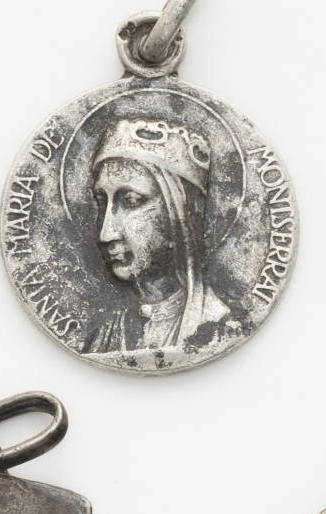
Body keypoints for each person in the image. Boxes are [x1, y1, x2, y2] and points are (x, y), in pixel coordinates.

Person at [85, 114, 239, 355]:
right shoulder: (107, 333)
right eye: (102, 202)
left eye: (131, 200)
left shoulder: (219, 327)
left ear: (178, 210)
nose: (106, 234)